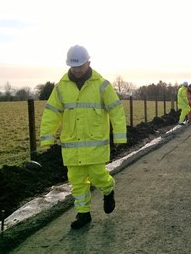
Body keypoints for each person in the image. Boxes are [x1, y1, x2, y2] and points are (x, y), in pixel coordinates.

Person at [40, 45, 127, 229]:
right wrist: (47, 138)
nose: (77, 70)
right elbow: (51, 113)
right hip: (72, 146)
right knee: (77, 182)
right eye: (74, 66)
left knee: (98, 176)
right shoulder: (61, 88)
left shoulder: (102, 85)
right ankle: (83, 213)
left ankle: (108, 189)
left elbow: (116, 110)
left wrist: (119, 137)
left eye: (80, 65)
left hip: (95, 145)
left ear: (88, 62)